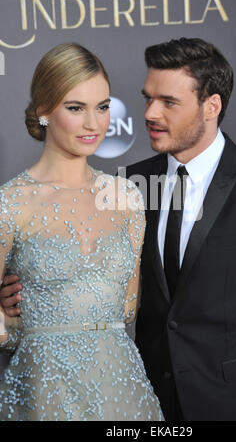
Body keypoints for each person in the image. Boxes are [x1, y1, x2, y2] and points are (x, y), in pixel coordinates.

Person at [2, 37, 236, 422]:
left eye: (168, 102)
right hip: (145, 400)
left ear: (212, 106)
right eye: (148, 99)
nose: (151, 114)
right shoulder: (132, 186)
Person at [0, 43, 163, 421]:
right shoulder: (11, 204)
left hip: (124, 393)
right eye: (76, 108)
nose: (94, 124)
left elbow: (126, 308)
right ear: (44, 110)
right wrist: (11, 326)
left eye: (102, 107)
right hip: (43, 395)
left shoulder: (127, 198)